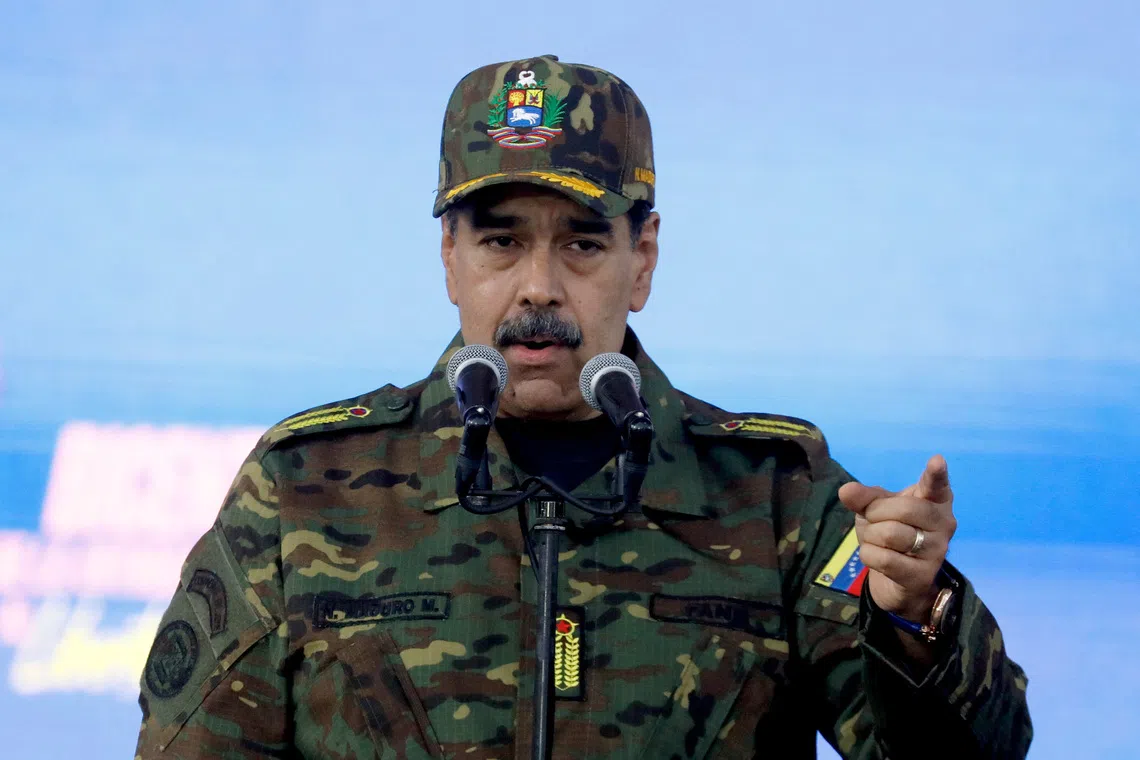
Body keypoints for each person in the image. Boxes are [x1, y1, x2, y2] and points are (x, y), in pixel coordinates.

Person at [135, 55, 1032, 759]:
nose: (538, 288)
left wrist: (919, 624)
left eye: (583, 243)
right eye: (500, 241)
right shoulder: (307, 487)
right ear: (448, 257)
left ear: (642, 260)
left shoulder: (775, 495)